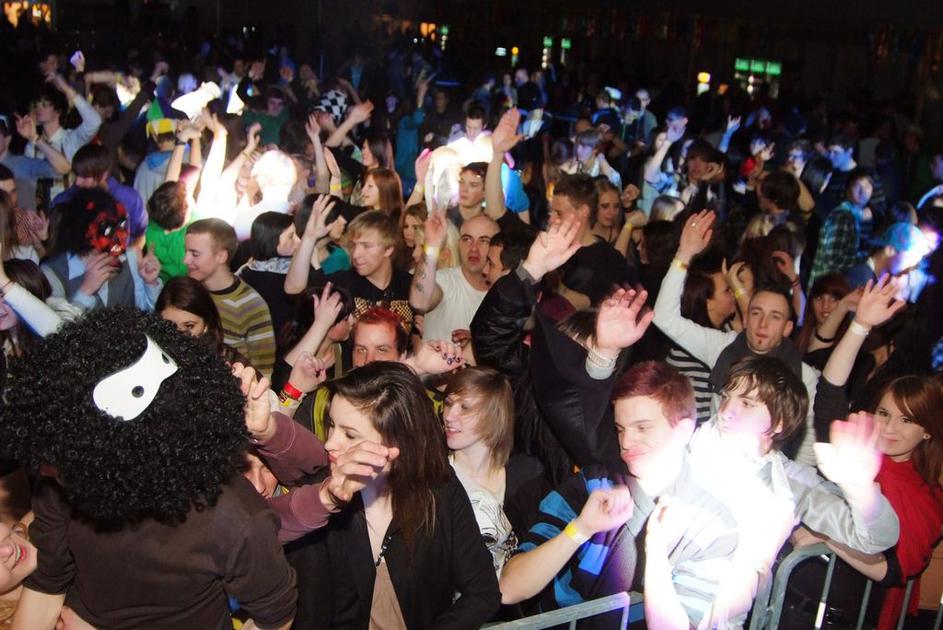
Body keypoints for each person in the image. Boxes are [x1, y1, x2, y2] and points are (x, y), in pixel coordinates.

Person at [0, 307, 296, 629]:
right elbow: (47, 584)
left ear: (116, 461)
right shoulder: (60, 481)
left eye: (59, 464)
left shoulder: (235, 519)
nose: (44, 471)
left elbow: (275, 618)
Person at [249, 361, 501, 628]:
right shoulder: (318, 500)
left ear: (397, 443)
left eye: (350, 435)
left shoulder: (438, 488)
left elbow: (483, 593)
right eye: (332, 425)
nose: (330, 443)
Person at [499, 357, 740, 628]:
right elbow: (509, 588)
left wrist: (657, 552)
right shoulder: (592, 486)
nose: (626, 442)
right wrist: (580, 529)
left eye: (642, 427)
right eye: (620, 429)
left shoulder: (711, 523)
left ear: (683, 430)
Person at [791, 275, 935, 629]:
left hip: (847, 619)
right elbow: (830, 393)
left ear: (928, 430)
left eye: (906, 420)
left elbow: (894, 569)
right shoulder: (861, 450)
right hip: (796, 605)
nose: (890, 428)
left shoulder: (924, 493)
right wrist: (859, 325)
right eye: (884, 414)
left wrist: (827, 537)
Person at [654, 210, 820, 464]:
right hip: (714, 462)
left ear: (787, 328)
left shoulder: (803, 375)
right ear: (746, 316)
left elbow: (807, 448)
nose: (763, 323)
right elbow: (665, 318)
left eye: (774, 317)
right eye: (756, 313)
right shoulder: (723, 345)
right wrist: (684, 254)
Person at [443, 367, 545, 576]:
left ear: (494, 415)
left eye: (465, 407)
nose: (449, 416)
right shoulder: (433, 476)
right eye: (448, 403)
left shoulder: (528, 475)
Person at [41, 189, 162, 313]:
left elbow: (149, 313)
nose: (120, 237)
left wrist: (150, 283)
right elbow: (56, 324)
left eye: (121, 226)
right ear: (84, 235)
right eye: (108, 231)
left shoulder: (130, 259)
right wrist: (85, 292)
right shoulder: (52, 274)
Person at [184, 218, 276, 375]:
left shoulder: (251, 306)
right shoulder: (189, 291)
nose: (185, 260)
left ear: (221, 256)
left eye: (195, 254)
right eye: (186, 252)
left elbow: (263, 372)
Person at [409, 211, 498, 342]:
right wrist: (431, 245)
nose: (473, 248)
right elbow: (419, 302)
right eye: (467, 239)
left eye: (484, 241)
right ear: (459, 243)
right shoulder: (443, 281)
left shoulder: (504, 293)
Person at [156, 275, 250, 368]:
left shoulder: (233, 365)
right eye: (169, 325)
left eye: (189, 326)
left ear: (206, 324)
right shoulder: (151, 358)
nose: (179, 335)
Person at [238, 211, 301, 348]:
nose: (298, 241)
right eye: (291, 236)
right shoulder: (288, 278)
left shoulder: (247, 268)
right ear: (271, 240)